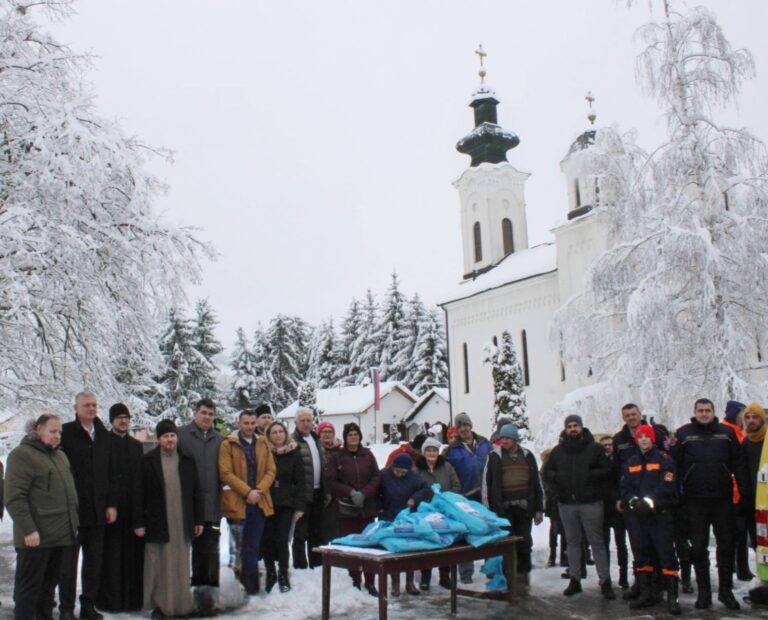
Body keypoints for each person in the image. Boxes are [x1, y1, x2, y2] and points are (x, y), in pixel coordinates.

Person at [672, 398, 747, 610]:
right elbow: (675, 466)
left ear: (714, 412)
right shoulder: (684, 434)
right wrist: (678, 497)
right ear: (694, 412)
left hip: (722, 499)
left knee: (726, 545)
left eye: (707, 410)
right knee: (698, 547)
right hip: (695, 501)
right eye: (700, 410)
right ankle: (704, 592)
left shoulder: (727, 433)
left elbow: (739, 464)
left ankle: (725, 591)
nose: (704, 414)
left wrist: (743, 495)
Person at [6, 414, 79, 620]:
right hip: (35, 539)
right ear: (38, 430)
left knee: (47, 592)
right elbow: (14, 497)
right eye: (52, 432)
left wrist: (73, 525)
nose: (57, 436)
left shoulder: (60, 456)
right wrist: (29, 529)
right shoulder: (22, 455)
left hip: (60, 537)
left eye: (60, 432)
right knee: (28, 593)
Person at [134, 419, 203, 618]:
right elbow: (138, 494)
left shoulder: (187, 460)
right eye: (165, 436)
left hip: (182, 521)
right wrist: (138, 522)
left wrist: (198, 520)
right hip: (157, 521)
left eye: (172, 435)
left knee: (181, 563)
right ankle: (160, 605)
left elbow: (197, 493)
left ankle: (182, 605)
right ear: (158, 439)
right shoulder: (147, 461)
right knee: (159, 564)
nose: (170, 439)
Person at [58, 392, 118, 620]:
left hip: (98, 511)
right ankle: (66, 608)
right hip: (73, 511)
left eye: (94, 405)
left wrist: (112, 504)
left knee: (93, 563)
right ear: (76, 407)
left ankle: (88, 606)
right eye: (86, 405)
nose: (91, 408)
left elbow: (112, 472)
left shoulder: (103, 435)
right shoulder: (66, 433)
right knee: (68, 564)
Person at [543, 414, 615, 599]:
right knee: (573, 542)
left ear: (581, 427)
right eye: (569, 426)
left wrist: (590, 477)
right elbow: (547, 472)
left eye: (576, 425)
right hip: (567, 503)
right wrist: (557, 484)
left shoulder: (595, 449)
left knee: (597, 542)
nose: (573, 429)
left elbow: (608, 470)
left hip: (591, 502)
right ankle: (575, 579)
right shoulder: (559, 451)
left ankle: (605, 581)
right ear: (566, 429)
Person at [620, 425, 681, 614]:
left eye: (647, 436)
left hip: (659, 515)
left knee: (666, 556)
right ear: (636, 440)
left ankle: (672, 598)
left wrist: (648, 502)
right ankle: (646, 594)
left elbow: (667, 486)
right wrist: (632, 501)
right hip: (638, 518)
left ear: (653, 439)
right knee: (642, 554)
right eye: (641, 437)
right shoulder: (631, 462)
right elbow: (624, 487)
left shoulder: (665, 460)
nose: (644, 439)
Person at [611, 403, 669, 599]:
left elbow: (665, 460)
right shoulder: (619, 439)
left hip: (654, 498)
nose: (631, 418)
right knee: (638, 544)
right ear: (623, 417)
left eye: (633, 414)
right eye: (627, 415)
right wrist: (620, 496)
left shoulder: (655, 433)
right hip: (632, 498)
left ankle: (658, 583)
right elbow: (617, 469)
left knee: (657, 543)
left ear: (639, 414)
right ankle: (641, 583)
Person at [219, 410, 276, 595]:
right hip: (237, 503)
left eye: (252, 423)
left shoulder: (262, 442)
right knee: (238, 549)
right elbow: (225, 473)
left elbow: (271, 470)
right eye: (246, 423)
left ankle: (251, 587)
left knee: (253, 546)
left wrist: (258, 490)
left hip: (259, 502)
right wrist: (247, 491)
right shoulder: (228, 444)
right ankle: (237, 587)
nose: (250, 427)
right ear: (239, 423)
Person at [97, 403, 144, 612]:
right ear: (112, 420)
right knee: (112, 557)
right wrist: (109, 504)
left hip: (132, 510)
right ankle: (111, 600)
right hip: (111, 510)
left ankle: (132, 600)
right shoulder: (103, 442)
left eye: (126, 417)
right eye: (119, 418)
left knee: (132, 556)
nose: (123, 421)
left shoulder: (136, 445)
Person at [483, 424, 544, 584]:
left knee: (525, 543)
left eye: (507, 438)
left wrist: (539, 508)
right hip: (503, 509)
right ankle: (508, 577)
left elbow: (537, 483)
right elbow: (486, 484)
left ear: (515, 439)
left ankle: (523, 576)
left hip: (524, 509)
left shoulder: (528, 455)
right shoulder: (494, 456)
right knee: (506, 544)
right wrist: (489, 510)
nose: (503, 441)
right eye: (502, 438)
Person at [326, 422, 381, 595]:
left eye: (356, 434)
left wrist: (364, 493)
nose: (353, 437)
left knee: (369, 544)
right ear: (345, 437)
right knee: (352, 546)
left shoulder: (368, 455)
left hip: (368, 507)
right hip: (347, 508)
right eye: (350, 435)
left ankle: (370, 581)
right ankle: (355, 580)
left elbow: (376, 477)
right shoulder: (337, 457)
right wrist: (350, 492)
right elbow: (331, 481)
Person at [177, 398, 223, 589]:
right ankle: (184, 589)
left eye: (211, 414)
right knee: (186, 549)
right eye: (203, 413)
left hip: (212, 504)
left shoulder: (219, 439)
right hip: (186, 503)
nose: (207, 417)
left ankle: (208, 591)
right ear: (195, 413)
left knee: (210, 549)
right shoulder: (181, 436)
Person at [445, 412, 492, 583]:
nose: (463, 429)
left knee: (487, 531)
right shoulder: (451, 450)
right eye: (460, 426)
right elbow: (447, 472)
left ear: (471, 426)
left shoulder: (485, 443)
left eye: (466, 425)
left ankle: (490, 568)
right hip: (465, 498)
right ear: (457, 430)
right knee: (466, 534)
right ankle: (466, 573)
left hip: (486, 495)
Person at [380, 453, 433, 596]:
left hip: (407, 517)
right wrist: (379, 506)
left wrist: (414, 499)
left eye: (403, 473)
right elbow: (376, 491)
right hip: (389, 516)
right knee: (393, 551)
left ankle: (410, 582)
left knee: (409, 550)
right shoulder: (384, 474)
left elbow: (426, 489)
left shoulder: (414, 477)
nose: (399, 474)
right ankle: (395, 583)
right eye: (397, 471)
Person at [262, 420, 304, 593]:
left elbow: (301, 481)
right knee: (267, 539)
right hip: (266, 499)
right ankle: (270, 571)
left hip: (286, 501)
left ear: (285, 434)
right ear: (268, 436)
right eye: (274, 432)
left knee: (282, 539)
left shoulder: (294, 453)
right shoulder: (263, 452)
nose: (278, 435)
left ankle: (283, 573)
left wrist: (299, 506)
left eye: (280, 432)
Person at [416, 437, 461, 590]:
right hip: (425, 512)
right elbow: (413, 489)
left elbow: (456, 486)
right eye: (428, 450)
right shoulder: (417, 469)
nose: (431, 453)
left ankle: (444, 575)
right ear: (423, 452)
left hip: (445, 511)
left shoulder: (447, 467)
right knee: (427, 543)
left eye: (434, 450)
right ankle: (425, 576)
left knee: (446, 542)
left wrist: (445, 498)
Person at [291, 407, 326, 569]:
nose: (306, 424)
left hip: (318, 492)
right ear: (296, 423)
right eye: (302, 421)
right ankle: (300, 566)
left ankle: (317, 564)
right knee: (300, 533)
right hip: (301, 494)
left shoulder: (316, 439)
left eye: (308, 421)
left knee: (317, 531)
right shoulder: (292, 441)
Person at [598, 434, 629, 589]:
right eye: (604, 445)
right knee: (604, 544)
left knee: (621, 543)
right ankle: (606, 577)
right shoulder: (597, 462)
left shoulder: (619, 462)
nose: (608, 447)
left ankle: (623, 576)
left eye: (610, 444)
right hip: (603, 507)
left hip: (617, 506)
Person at [741, 404, 765, 555]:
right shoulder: (746, 442)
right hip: (752, 500)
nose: (751, 421)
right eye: (747, 417)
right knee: (758, 541)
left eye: (755, 417)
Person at [317, 420, 341, 545]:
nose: (327, 435)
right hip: (320, 493)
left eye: (330, 432)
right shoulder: (316, 450)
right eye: (324, 432)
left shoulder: (339, 450)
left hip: (336, 494)